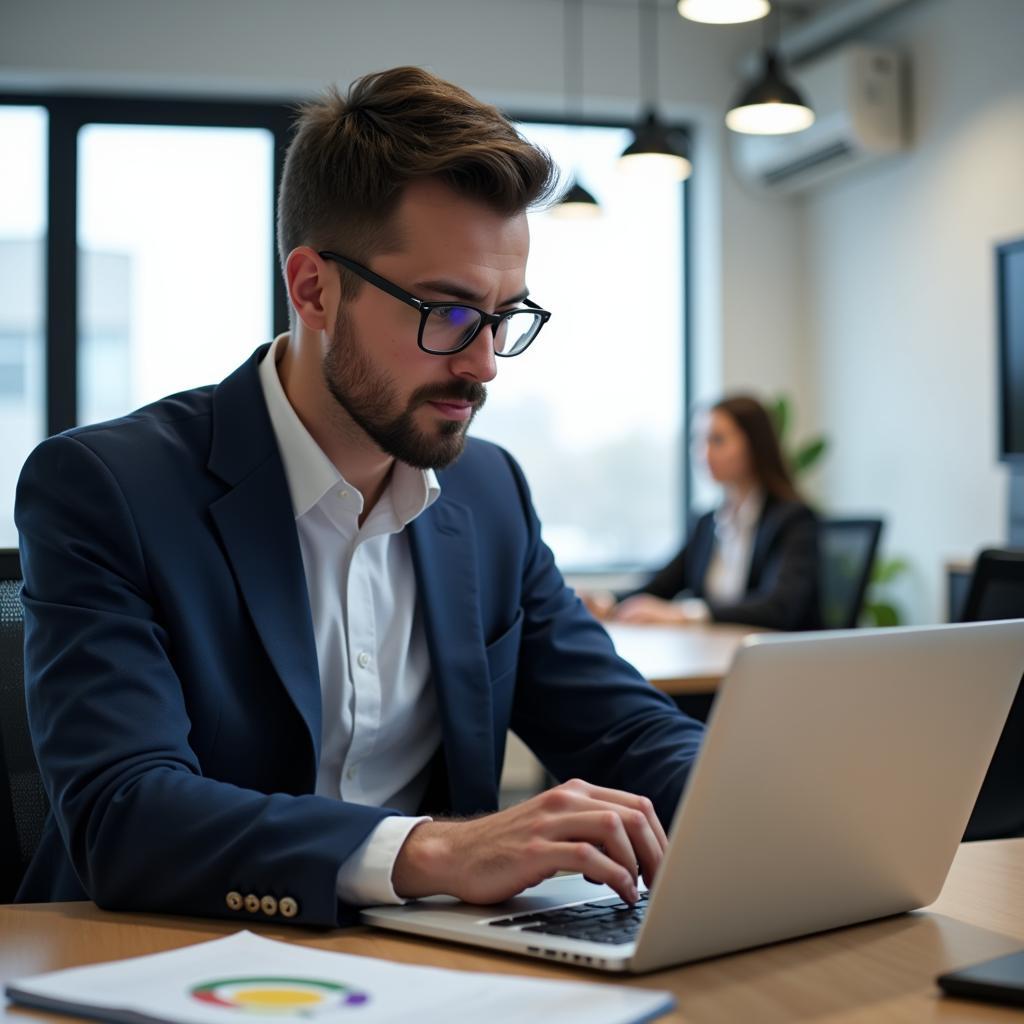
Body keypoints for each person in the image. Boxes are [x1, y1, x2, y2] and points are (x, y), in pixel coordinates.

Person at [14, 67, 705, 927]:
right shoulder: (107, 489)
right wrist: (438, 850)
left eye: (504, 317)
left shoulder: (488, 494)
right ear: (313, 289)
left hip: (425, 971)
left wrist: (770, 808)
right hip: (161, 960)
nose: (483, 363)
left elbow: (628, 734)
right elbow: (123, 813)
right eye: (447, 312)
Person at [586, 395, 821, 631]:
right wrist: (607, 602)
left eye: (717, 440)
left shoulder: (792, 520)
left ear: (754, 444)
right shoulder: (708, 523)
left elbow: (779, 607)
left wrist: (685, 614)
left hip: (770, 657)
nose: (704, 453)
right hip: (714, 649)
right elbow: (661, 586)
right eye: (699, 441)